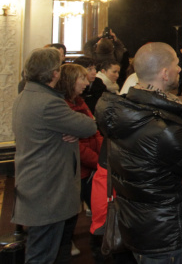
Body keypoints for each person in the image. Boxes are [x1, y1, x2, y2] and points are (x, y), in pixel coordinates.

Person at [96, 42, 182, 263]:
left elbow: (146, 164)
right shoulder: (164, 128)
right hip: (167, 234)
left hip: (136, 226)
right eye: (176, 64)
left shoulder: (122, 110)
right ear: (165, 73)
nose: (180, 69)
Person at [12, 48, 97, 264]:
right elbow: (88, 126)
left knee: (48, 247)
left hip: (36, 182)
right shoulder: (48, 102)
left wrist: (68, 129)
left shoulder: (26, 95)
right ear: (53, 73)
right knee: (43, 253)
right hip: (48, 188)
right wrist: (72, 127)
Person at [60, 63, 105, 263]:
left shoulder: (80, 102)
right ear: (71, 82)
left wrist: (103, 156)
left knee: (100, 208)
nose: (87, 83)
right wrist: (99, 162)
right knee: (68, 215)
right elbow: (76, 146)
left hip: (91, 168)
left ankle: (100, 247)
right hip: (76, 170)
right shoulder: (62, 107)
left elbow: (95, 130)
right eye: (82, 79)